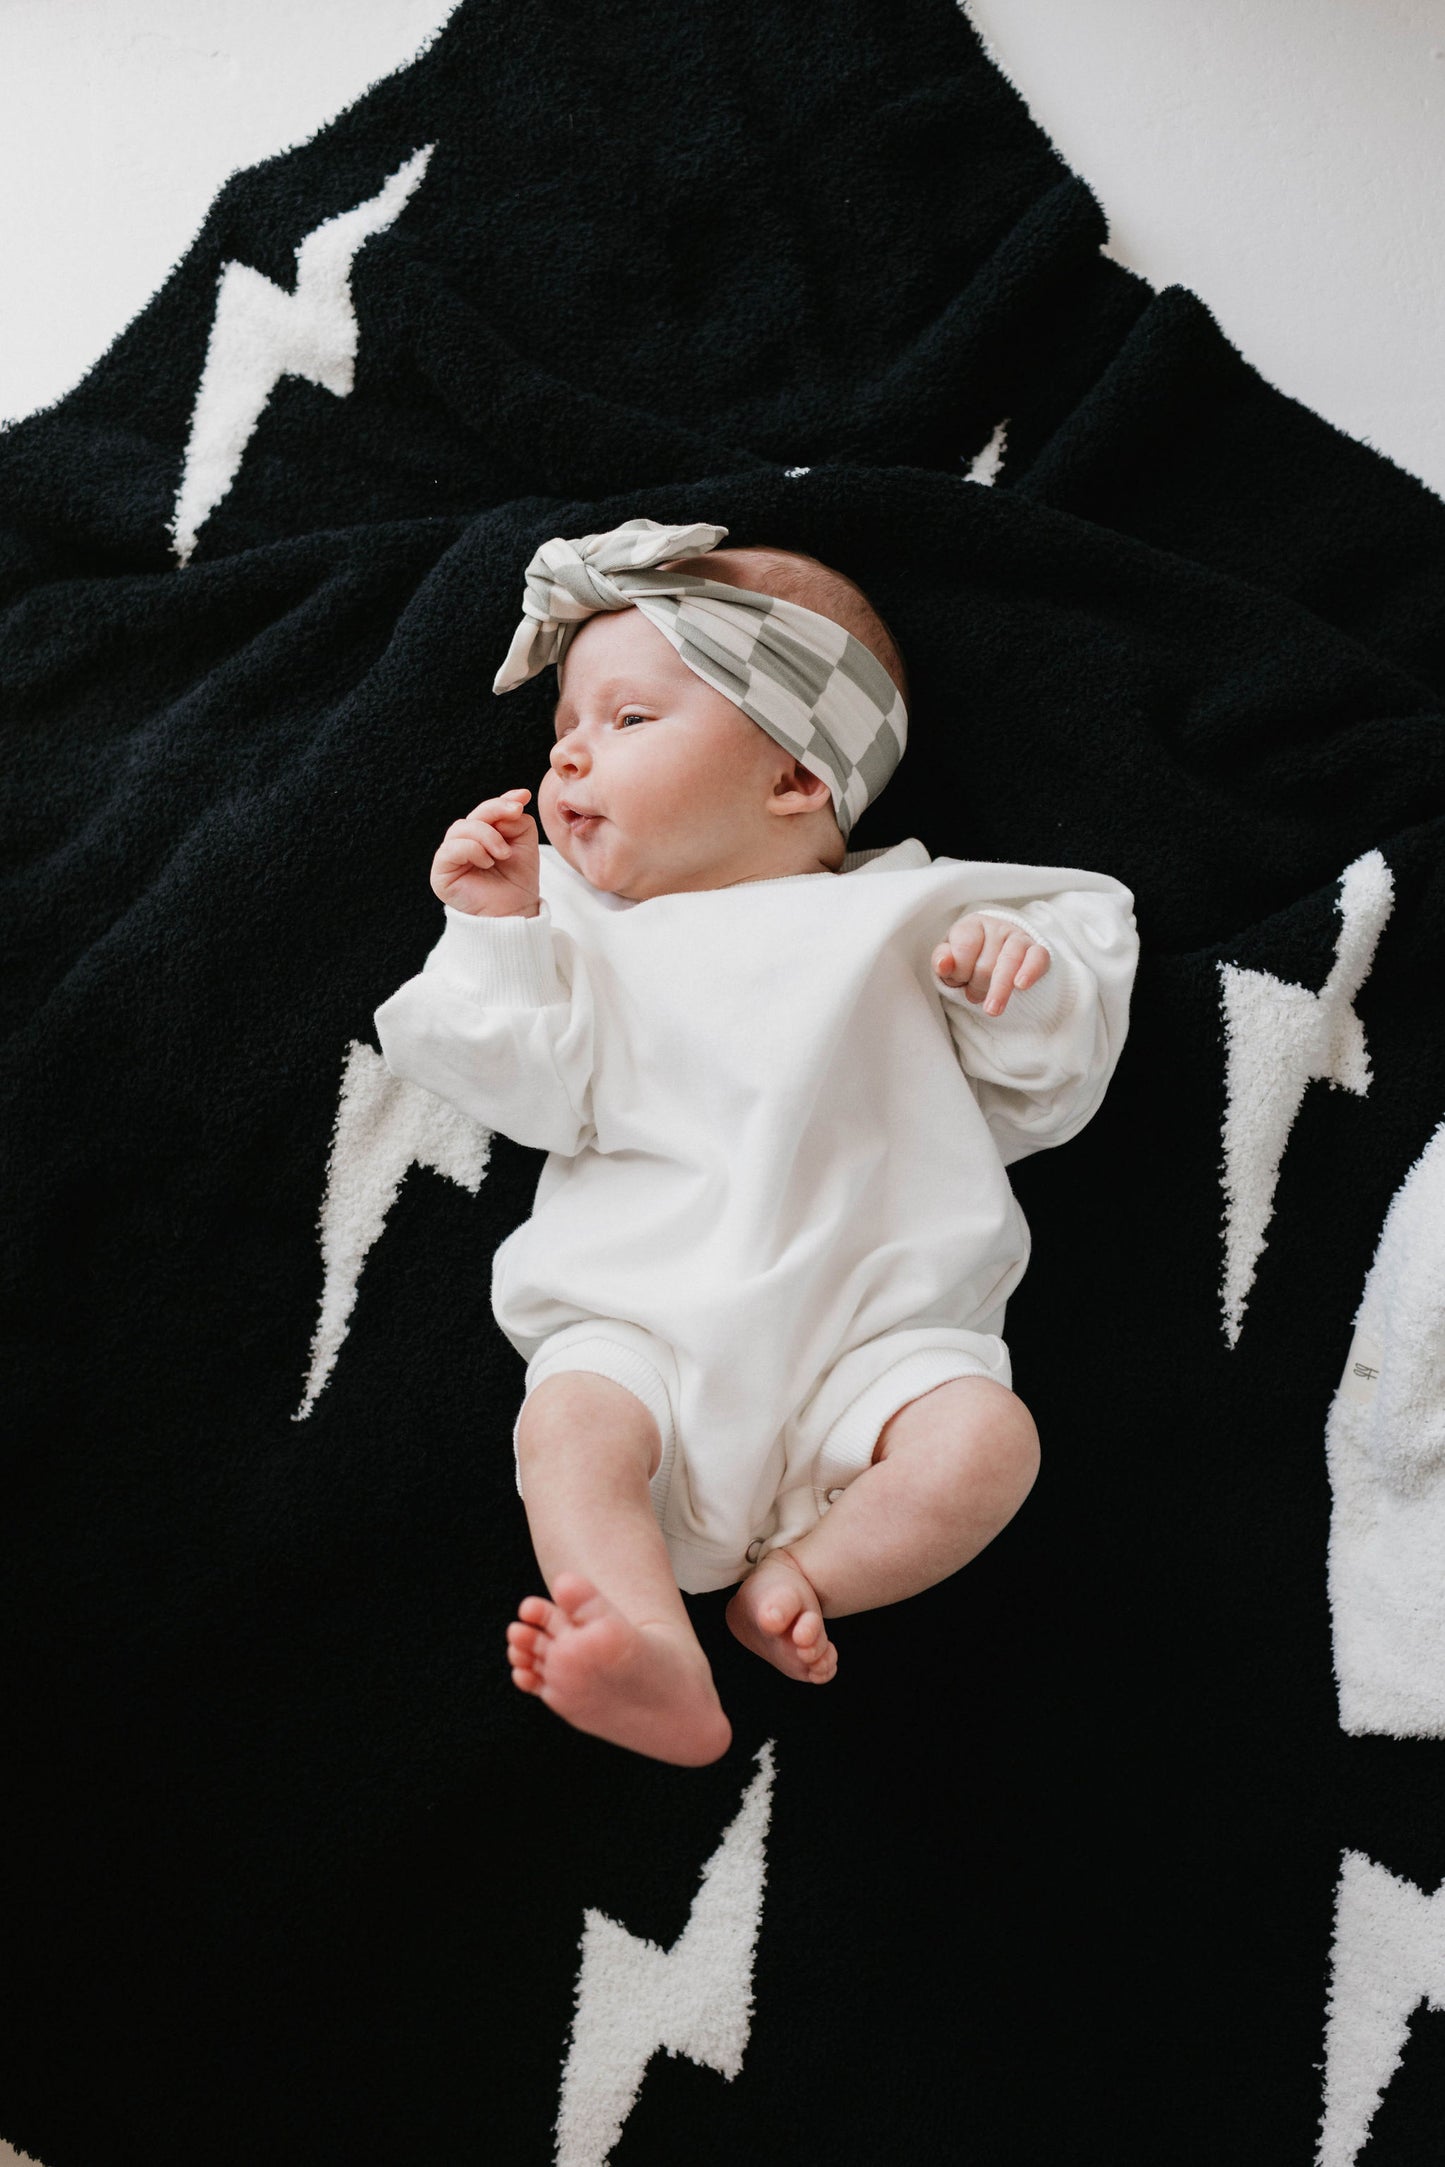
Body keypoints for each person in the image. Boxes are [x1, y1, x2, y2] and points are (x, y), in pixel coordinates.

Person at [373, 515, 1139, 1767]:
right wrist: (501, 929)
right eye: (563, 727)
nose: (567, 759)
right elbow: (513, 1090)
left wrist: (1020, 980)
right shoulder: (578, 930)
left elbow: (1047, 1090)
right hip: (643, 1329)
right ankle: (650, 1653)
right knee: (570, 1428)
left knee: (986, 1443)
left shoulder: (915, 911)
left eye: (626, 722)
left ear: (793, 779)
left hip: (877, 1344)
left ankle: (810, 1576)